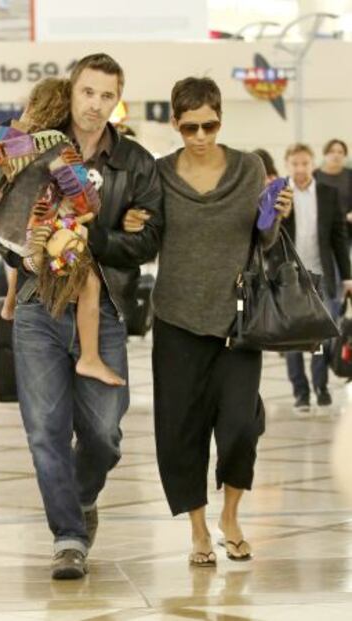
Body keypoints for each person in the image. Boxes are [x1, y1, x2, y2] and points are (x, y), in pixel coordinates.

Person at [0, 53, 163, 580]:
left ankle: (79, 498)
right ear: (72, 91)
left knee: (104, 431)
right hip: (38, 302)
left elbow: (149, 238)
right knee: (45, 430)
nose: (96, 104)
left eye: (107, 95)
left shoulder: (136, 162)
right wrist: (33, 249)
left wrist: (91, 238)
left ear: (117, 99)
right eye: (88, 92)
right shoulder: (36, 146)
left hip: (102, 304)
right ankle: (68, 537)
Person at [124, 77, 292, 566]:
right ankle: (199, 530)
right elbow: (151, 240)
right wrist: (135, 224)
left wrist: (274, 216)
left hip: (237, 322)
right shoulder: (159, 173)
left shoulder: (247, 168)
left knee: (241, 424)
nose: (200, 135)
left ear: (221, 118)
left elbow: (261, 240)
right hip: (176, 318)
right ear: (175, 123)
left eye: (210, 125)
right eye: (190, 126)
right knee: (181, 430)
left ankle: (232, 516)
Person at [0, 77, 125, 386]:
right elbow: (82, 194)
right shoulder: (58, 146)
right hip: (34, 231)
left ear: (31, 102)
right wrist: (88, 202)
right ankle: (89, 358)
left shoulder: (2, 135)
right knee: (89, 281)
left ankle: (9, 302)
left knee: (20, 258)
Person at [272, 143, 352, 411]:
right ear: (287, 164)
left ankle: (321, 386)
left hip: (321, 275)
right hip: (290, 278)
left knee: (321, 335)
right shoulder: (280, 195)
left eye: (305, 163)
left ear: (312, 163)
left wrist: (348, 276)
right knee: (294, 337)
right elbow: (269, 237)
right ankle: (301, 392)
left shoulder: (328, 194)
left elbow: (339, 239)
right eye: (295, 164)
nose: (300, 169)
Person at [315, 139, 352, 240]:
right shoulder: (314, 175)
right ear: (325, 154)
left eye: (340, 152)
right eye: (332, 151)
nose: (336, 155)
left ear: (345, 155)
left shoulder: (350, 175)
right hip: (320, 227)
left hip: (347, 226)